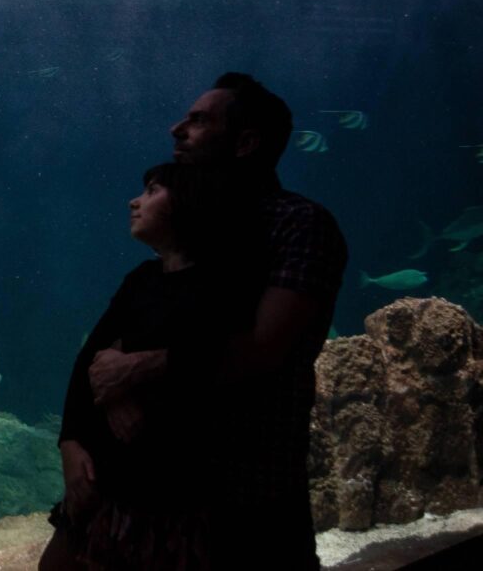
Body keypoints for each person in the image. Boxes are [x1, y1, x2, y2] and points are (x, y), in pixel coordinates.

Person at [85, 72, 348, 570]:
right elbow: (119, 336)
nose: (175, 129)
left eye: (198, 121)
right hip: (163, 490)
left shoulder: (298, 225)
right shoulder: (191, 234)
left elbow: (264, 348)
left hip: (252, 494)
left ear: (246, 143)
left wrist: (135, 371)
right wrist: (92, 415)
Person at [39, 161, 260, 570]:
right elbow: (90, 360)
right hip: (108, 481)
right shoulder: (141, 279)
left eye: (153, 191)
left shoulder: (224, 285)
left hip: (177, 494)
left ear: (189, 203)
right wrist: (70, 442)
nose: (134, 200)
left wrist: (127, 383)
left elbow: (215, 364)